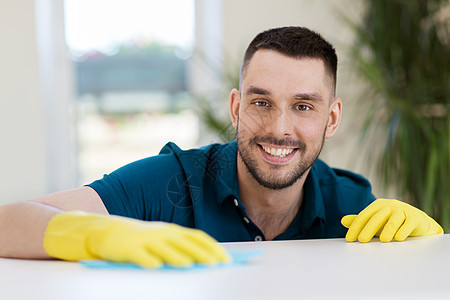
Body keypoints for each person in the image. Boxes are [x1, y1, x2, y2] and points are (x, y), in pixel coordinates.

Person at [0, 26, 443, 268]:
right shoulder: (168, 182)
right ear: (235, 106)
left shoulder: (352, 205)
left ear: (332, 117)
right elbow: (6, 223)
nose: (279, 128)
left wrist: (429, 253)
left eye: (304, 106)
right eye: (261, 102)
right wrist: (90, 233)